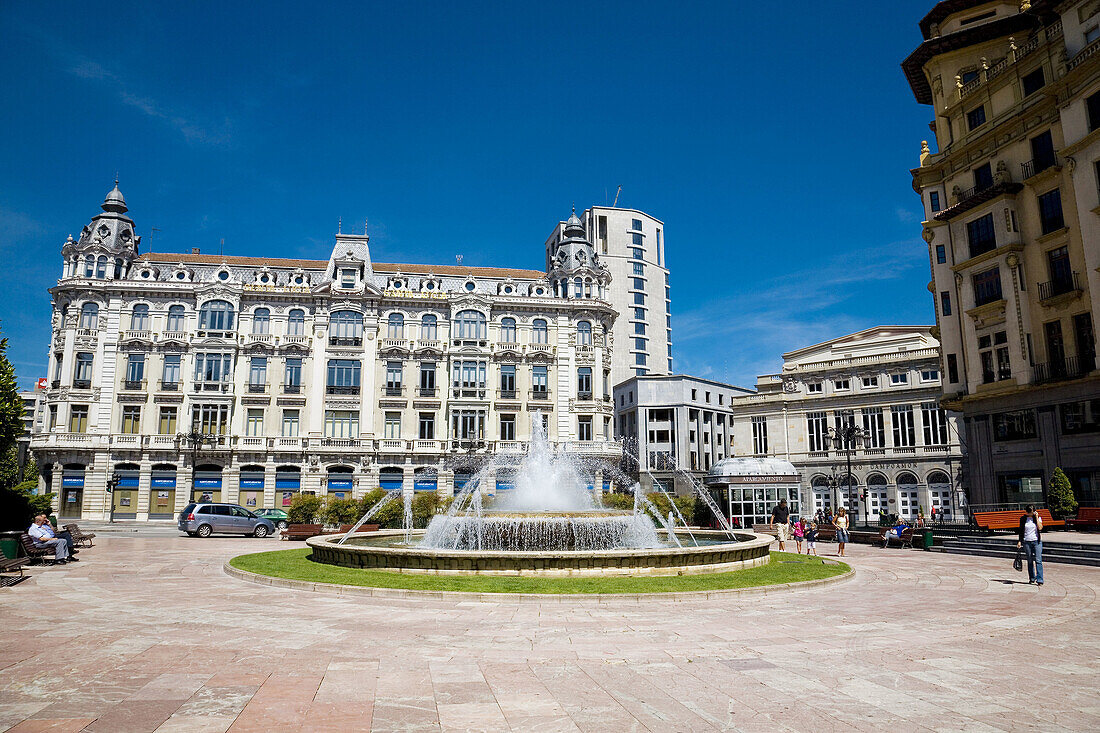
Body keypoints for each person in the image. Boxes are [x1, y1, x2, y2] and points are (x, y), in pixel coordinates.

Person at [1017, 504, 1044, 586]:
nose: (1029, 514)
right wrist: (1019, 541)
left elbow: (1040, 528)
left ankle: (1040, 579)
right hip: (1026, 541)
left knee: (1038, 560)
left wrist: (1036, 517)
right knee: (1029, 560)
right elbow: (1021, 530)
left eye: (1031, 512)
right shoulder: (1023, 519)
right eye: (1028, 512)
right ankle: (1032, 578)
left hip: (1036, 541)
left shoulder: (1037, 518)